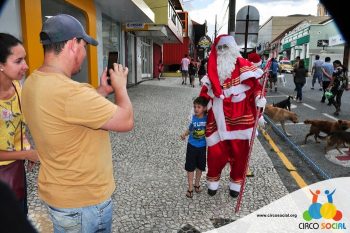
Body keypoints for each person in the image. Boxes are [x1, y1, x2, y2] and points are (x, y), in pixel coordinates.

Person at [21, 14, 134, 232]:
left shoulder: (33, 83)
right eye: (84, 46)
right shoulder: (71, 92)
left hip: (62, 199)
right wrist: (120, 87)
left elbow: (68, 114)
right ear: (73, 44)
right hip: (84, 205)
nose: (84, 53)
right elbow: (126, 120)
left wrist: (101, 91)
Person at [199, 35, 266, 197]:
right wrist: (199, 107)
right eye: (219, 48)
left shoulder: (243, 66)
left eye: (225, 47)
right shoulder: (212, 69)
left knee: (240, 155)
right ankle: (213, 182)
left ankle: (235, 183)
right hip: (217, 119)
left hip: (240, 121)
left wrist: (259, 98)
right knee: (215, 153)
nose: (222, 51)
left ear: (233, 48)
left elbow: (256, 87)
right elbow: (204, 93)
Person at [0, 33, 39, 215]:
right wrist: (27, 154)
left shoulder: (17, 87)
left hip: (15, 170)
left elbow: (17, 125)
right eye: (18, 61)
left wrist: (26, 148)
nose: (26, 66)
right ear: (1, 64)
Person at [180, 97, 208, 198]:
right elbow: (190, 128)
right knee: (190, 167)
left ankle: (197, 184)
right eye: (195, 107)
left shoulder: (207, 118)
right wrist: (184, 134)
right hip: (191, 146)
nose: (196, 109)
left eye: (199, 107)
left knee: (200, 167)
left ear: (204, 108)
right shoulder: (193, 118)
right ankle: (190, 187)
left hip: (202, 147)